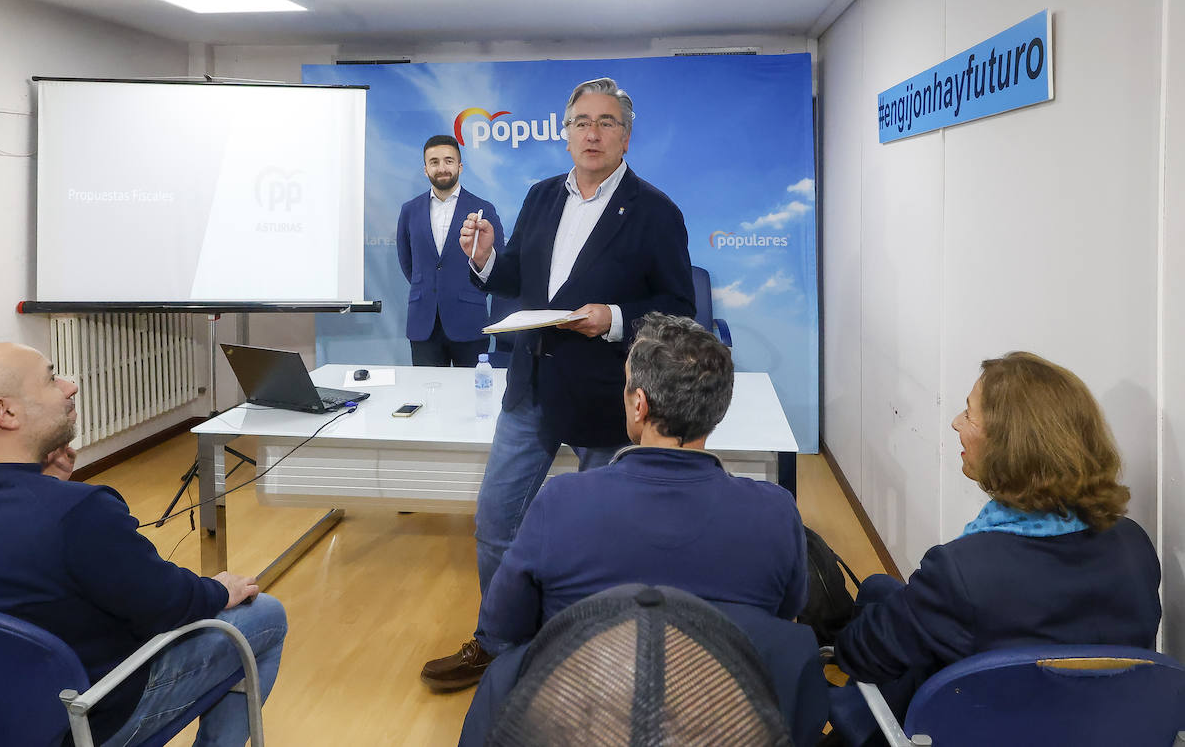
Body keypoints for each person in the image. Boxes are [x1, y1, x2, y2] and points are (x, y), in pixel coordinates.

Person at [0, 343, 288, 747]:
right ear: (6, 412)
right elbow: (170, 607)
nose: (71, 386)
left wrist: (48, 487)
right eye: (51, 380)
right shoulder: (79, 513)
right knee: (262, 614)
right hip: (74, 724)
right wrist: (220, 590)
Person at [422, 77, 696, 689]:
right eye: (580, 123)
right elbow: (517, 276)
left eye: (605, 123)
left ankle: (587, 654)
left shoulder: (656, 211)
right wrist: (487, 256)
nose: (591, 133)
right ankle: (497, 643)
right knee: (496, 521)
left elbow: (680, 309)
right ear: (565, 132)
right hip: (531, 388)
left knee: (597, 537)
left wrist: (615, 320)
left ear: (625, 135)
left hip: (607, 400)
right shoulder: (542, 195)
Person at [456, 313, 816, 745]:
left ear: (639, 404)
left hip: (580, 717)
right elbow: (782, 620)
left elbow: (503, 627)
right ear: (717, 408)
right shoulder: (776, 512)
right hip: (724, 722)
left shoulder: (560, 503)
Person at [831, 351, 1162, 745]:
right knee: (879, 589)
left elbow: (861, 656)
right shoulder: (1134, 545)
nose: (955, 423)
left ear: (1010, 447)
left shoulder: (961, 572)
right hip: (1094, 730)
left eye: (968, 415)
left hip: (971, 729)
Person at [396, 134, 505, 367]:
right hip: (423, 324)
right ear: (425, 169)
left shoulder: (483, 209)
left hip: (469, 320)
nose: (442, 167)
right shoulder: (409, 211)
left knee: (472, 395)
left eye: (448, 160)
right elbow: (408, 263)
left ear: (460, 166)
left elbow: (497, 265)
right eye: (434, 162)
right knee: (427, 395)